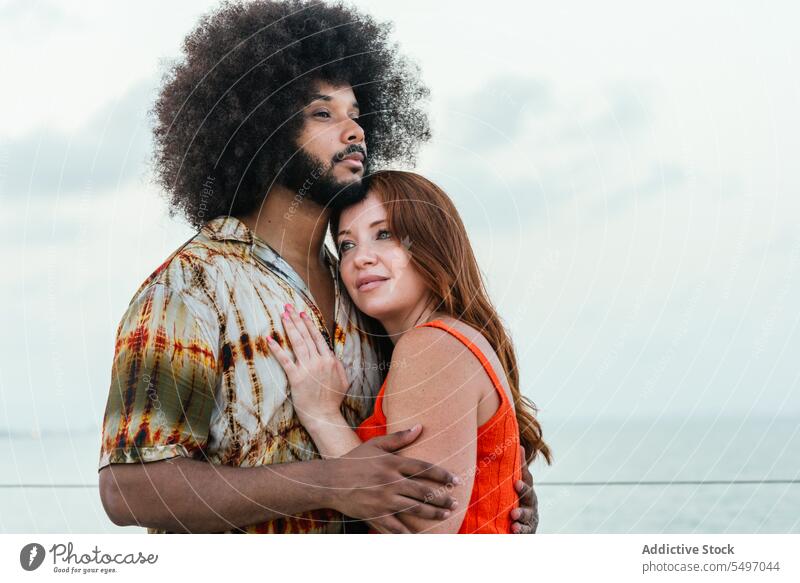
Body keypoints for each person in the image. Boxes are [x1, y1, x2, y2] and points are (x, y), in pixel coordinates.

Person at [97, 0, 539, 534]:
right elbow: (128, 488)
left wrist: (489, 492)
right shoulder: (191, 288)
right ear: (263, 132)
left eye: (357, 114)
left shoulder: (365, 290)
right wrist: (331, 482)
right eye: (324, 113)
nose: (354, 131)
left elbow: (427, 464)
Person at [269, 171, 552, 533]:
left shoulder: (432, 347)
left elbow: (420, 530)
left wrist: (322, 415)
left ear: (432, 242)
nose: (361, 258)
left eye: (383, 234)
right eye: (346, 245)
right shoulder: (447, 341)